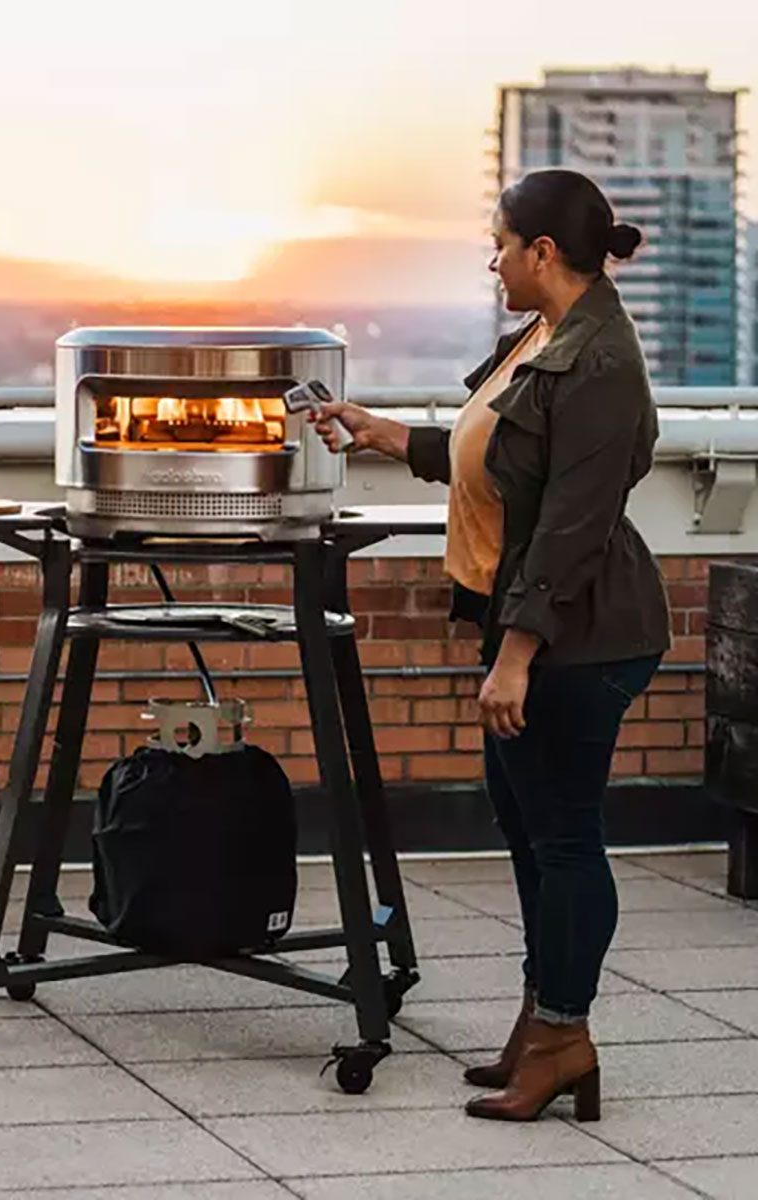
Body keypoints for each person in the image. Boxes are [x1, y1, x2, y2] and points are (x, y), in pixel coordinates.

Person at [315, 169, 670, 1122]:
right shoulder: (547, 336)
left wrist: (516, 655)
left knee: (563, 840)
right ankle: (541, 1021)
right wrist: (374, 429)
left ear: (542, 254)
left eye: (502, 244)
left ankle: (565, 1034)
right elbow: (487, 453)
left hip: (579, 637)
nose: (493, 259)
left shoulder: (600, 362)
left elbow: (571, 526)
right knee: (528, 831)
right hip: (531, 627)